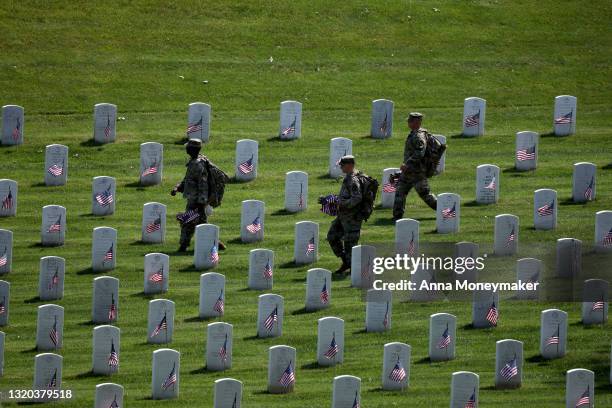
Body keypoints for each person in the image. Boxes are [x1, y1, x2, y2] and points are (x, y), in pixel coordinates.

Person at [171, 138, 225, 252]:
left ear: (191, 149)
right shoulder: (193, 162)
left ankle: (183, 246)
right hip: (194, 198)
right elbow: (188, 180)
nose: (186, 148)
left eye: (187, 147)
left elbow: (203, 184)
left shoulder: (198, 165)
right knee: (201, 223)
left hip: (197, 200)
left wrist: (201, 202)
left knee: (188, 222)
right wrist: (177, 187)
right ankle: (215, 242)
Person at [322, 155, 364, 275]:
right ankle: (346, 262)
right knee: (332, 236)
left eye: (342, 165)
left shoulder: (353, 180)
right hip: (343, 216)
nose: (340, 167)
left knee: (350, 244)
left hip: (352, 218)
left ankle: (353, 269)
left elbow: (357, 198)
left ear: (350, 165)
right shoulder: (348, 177)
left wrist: (341, 202)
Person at [392, 112, 438, 220]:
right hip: (409, 172)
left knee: (426, 195)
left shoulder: (419, 136)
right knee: (400, 191)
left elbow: (420, 153)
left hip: (417, 172)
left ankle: (446, 211)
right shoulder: (413, 133)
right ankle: (397, 217)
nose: (408, 122)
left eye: (410, 120)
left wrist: (407, 164)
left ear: (416, 122)